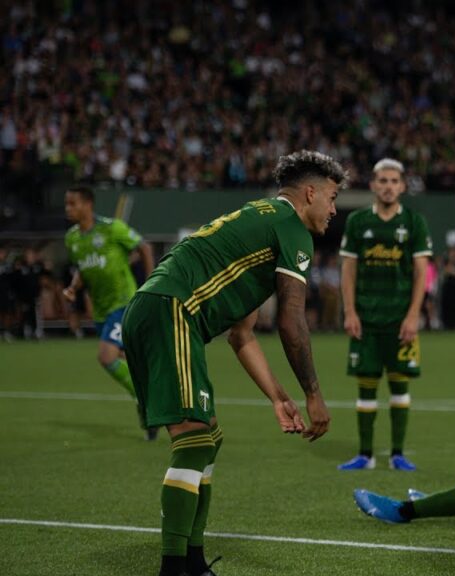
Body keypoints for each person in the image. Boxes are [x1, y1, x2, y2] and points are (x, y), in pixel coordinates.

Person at [121, 150, 340, 576]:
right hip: (171, 311)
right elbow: (292, 321)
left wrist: (278, 396)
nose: (333, 210)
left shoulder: (258, 221)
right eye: (331, 197)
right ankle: (174, 569)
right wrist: (314, 394)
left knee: (208, 438)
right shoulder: (292, 227)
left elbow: (242, 335)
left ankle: (194, 562)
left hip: (155, 309)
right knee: (195, 442)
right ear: (309, 192)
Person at [338, 158, 432, 471]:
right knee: (365, 390)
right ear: (373, 185)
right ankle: (365, 455)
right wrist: (350, 312)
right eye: (383, 181)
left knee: (400, 388)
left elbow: (422, 273)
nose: (389, 186)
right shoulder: (357, 222)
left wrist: (412, 316)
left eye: (394, 181)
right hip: (365, 319)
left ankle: (397, 455)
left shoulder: (415, 223)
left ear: (403, 186)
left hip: (399, 320)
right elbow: (348, 270)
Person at [63, 185, 156, 437]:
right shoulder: (71, 238)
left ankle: (145, 400)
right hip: (101, 311)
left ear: (88, 204)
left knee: (106, 356)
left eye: (72, 203)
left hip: (124, 302)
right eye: (66, 204)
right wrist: (73, 287)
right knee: (127, 360)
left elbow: (144, 247)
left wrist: (150, 285)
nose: (67, 209)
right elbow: (84, 268)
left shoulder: (112, 228)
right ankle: (149, 410)